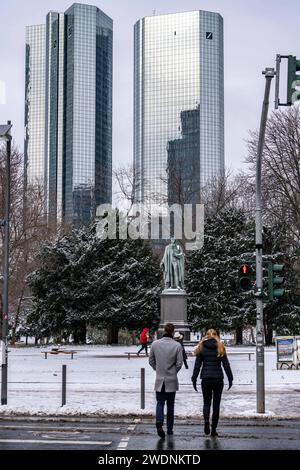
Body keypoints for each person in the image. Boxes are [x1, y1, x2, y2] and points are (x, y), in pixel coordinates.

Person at [191, 329, 233, 437]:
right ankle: (213, 429)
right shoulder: (220, 346)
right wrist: (230, 378)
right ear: (216, 336)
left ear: (206, 336)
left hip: (206, 378)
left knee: (206, 402)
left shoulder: (201, 347)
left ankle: (206, 421)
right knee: (216, 404)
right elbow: (226, 364)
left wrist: (194, 378)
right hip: (218, 378)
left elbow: (197, 365)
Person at [149, 323, 183, 438]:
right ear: (173, 332)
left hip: (160, 379)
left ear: (164, 330)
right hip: (171, 379)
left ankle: (159, 422)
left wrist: (157, 369)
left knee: (159, 403)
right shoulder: (177, 346)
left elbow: (151, 361)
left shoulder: (155, 344)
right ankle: (169, 428)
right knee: (170, 405)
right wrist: (173, 372)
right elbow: (179, 363)